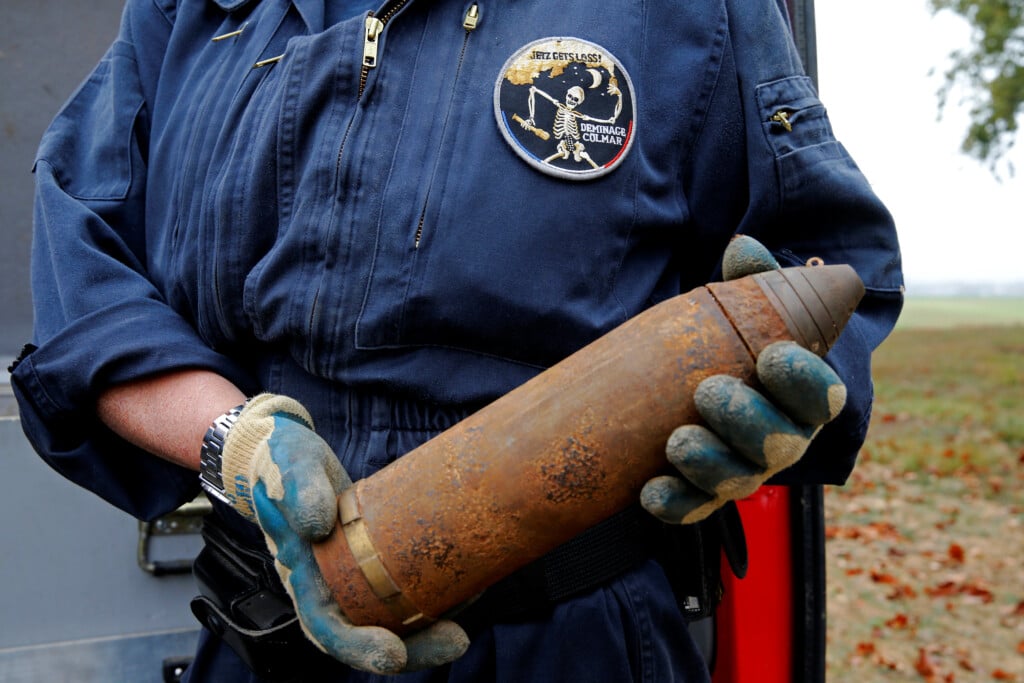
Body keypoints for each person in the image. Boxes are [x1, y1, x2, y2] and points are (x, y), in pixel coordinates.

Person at [9, 0, 903, 680]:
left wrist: (769, 410)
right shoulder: (193, 13)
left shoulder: (689, 15)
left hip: (569, 639)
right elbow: (85, 283)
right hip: (263, 638)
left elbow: (828, 265)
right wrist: (235, 441)